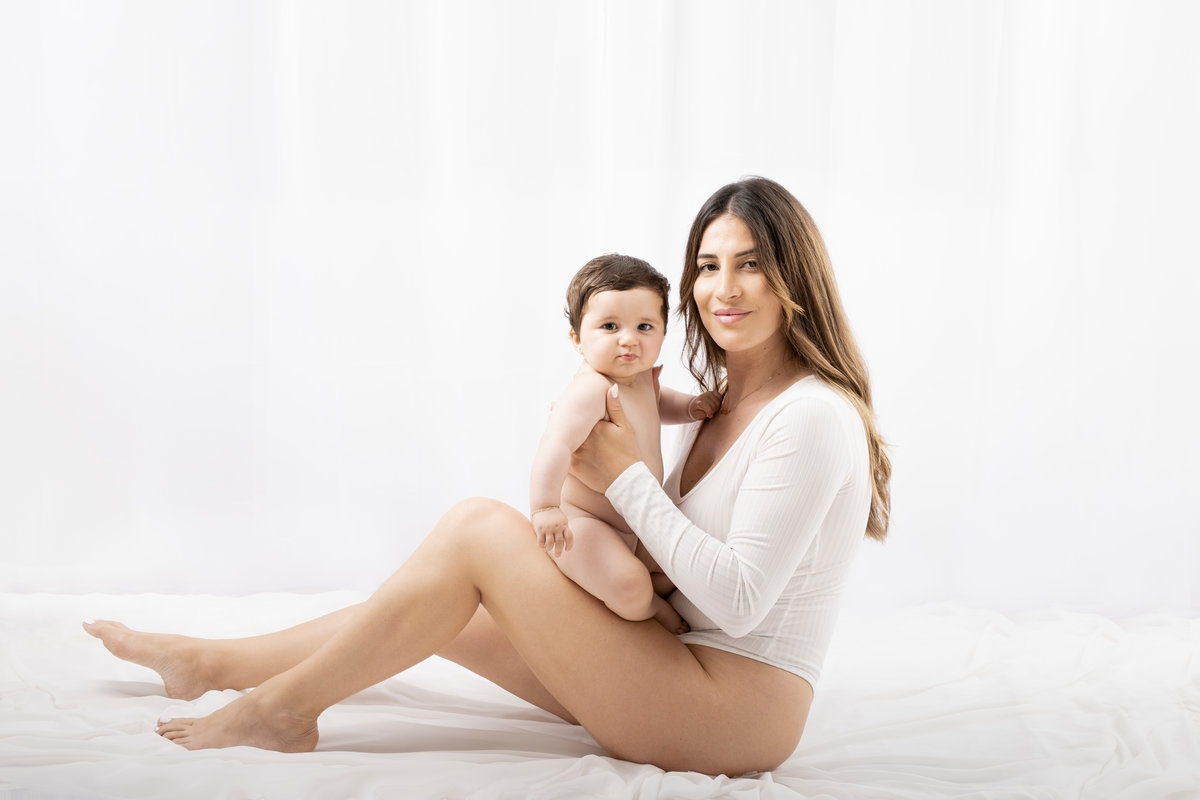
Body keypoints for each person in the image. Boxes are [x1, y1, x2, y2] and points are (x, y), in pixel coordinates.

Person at [83, 176, 891, 776]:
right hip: (677, 658)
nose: (723, 288)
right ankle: (211, 665)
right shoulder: (726, 401)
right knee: (440, 604)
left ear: (796, 280)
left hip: (732, 714)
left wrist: (627, 484)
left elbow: (742, 605)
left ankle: (283, 711)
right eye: (707, 266)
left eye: (749, 265)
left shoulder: (811, 417)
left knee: (477, 527)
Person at [531, 253, 720, 635]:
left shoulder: (640, 379)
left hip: (634, 521)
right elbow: (556, 445)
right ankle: (649, 608)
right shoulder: (590, 390)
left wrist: (690, 407)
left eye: (644, 326)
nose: (628, 339)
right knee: (631, 586)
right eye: (610, 326)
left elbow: (659, 402)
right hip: (587, 524)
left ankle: (649, 592)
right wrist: (547, 507)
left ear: (663, 333)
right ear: (577, 339)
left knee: (678, 570)